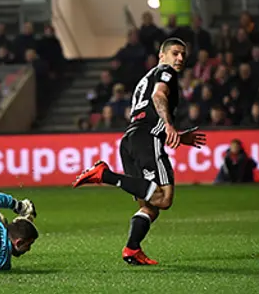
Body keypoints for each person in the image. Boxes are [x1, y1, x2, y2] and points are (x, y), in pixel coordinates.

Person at [72, 38, 206, 265]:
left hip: (130, 139)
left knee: (150, 206)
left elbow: (146, 114)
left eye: (183, 54)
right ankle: (105, 175)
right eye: (175, 53)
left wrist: (179, 137)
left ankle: (132, 249)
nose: (180, 58)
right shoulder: (166, 72)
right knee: (164, 199)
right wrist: (170, 125)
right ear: (162, 56)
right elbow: (158, 96)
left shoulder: (145, 78)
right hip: (146, 138)